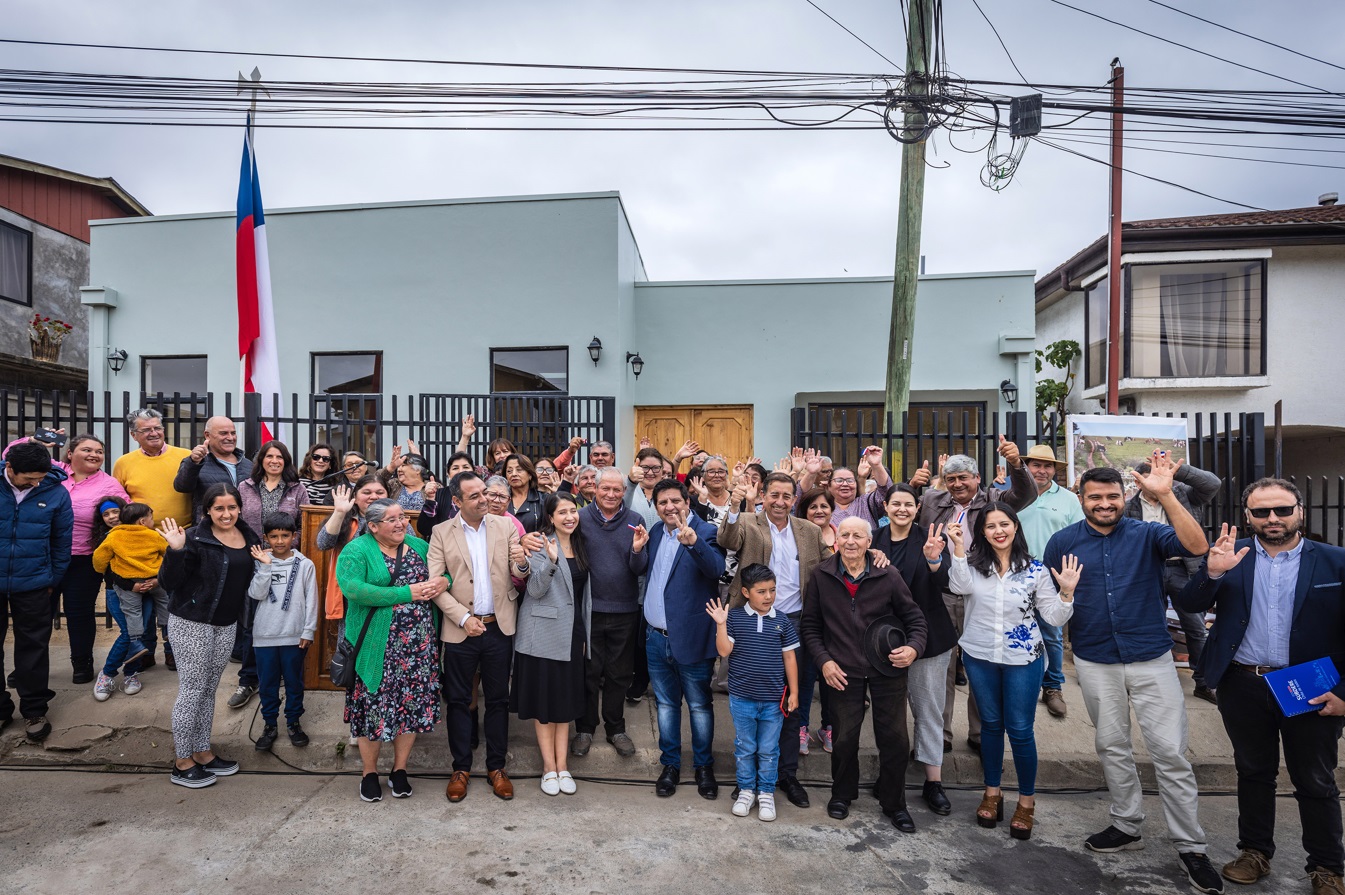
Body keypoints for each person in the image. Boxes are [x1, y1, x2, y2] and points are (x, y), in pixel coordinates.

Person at [1043, 456, 1223, 894]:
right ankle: (1126, 825)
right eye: (1094, 497)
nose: (1104, 504)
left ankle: (1191, 846)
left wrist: (1164, 494)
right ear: (1081, 500)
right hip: (1094, 658)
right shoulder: (1062, 542)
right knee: (1112, 746)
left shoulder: (1149, 534)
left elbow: (1197, 547)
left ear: (1123, 497)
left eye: (1111, 496)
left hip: (1151, 658)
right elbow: (1053, 606)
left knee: (1171, 754)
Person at [1179, 479, 1345, 894]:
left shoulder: (1335, 562)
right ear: (1248, 516)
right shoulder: (1233, 556)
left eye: (1282, 510)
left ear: (1300, 511)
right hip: (1243, 683)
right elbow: (1191, 605)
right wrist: (1212, 572)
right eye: (1261, 512)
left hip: (1310, 686)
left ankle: (1327, 867)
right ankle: (1255, 852)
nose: (1273, 519)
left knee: (1316, 780)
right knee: (1254, 773)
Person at [947, 504, 1078, 840]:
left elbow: (1054, 618)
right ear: (983, 533)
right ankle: (992, 793)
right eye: (991, 526)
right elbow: (959, 587)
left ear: (1015, 527)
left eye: (1004, 524)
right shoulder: (974, 567)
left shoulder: (1036, 571)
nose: (998, 531)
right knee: (990, 726)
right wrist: (958, 550)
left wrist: (1066, 592)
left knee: (1020, 730)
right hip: (979, 655)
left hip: (1024, 659)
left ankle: (1026, 801)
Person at [801, 517, 927, 832]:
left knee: (895, 739)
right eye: (845, 535)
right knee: (843, 739)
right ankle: (842, 794)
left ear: (869, 542)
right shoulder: (821, 575)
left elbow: (915, 620)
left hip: (887, 668)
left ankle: (894, 802)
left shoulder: (888, 574)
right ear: (836, 540)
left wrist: (913, 649)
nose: (852, 541)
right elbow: (810, 626)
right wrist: (824, 662)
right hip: (842, 670)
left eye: (859, 535)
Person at [913, 437, 1037, 755]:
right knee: (942, 664)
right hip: (943, 592)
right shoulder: (931, 501)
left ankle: (981, 734)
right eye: (951, 478)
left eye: (963, 478)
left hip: (982, 593)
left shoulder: (995, 498)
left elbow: (1026, 493)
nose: (957, 484)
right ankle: (939, 734)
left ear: (977, 478)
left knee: (980, 662)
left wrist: (1017, 465)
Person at [716, 471, 830, 809]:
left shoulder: (808, 531)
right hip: (751, 623)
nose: (780, 502)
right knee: (750, 701)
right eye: (774, 495)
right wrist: (739, 502)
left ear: (795, 498)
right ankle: (747, 782)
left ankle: (786, 775)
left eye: (787, 496)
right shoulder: (749, 521)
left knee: (794, 700)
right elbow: (726, 537)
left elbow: (830, 565)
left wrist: (872, 556)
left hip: (795, 622)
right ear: (763, 494)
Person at [336, 499, 446, 802]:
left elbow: (447, 573)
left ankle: (400, 770)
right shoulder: (357, 550)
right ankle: (369, 773)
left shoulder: (420, 546)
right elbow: (353, 588)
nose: (401, 524)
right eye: (392, 520)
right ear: (373, 526)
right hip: (377, 647)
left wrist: (441, 583)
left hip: (418, 647)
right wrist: (404, 593)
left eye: (402, 517)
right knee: (373, 709)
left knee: (410, 708)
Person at [429, 471, 526, 803]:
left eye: (485, 492)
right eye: (475, 496)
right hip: (461, 630)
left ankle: (496, 768)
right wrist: (463, 618)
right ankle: (461, 769)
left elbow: (518, 571)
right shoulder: (441, 533)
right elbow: (435, 585)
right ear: (456, 501)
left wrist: (523, 563)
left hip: (499, 627)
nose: (485, 499)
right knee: (458, 701)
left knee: (498, 700)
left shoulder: (505, 526)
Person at [6, 431, 128, 684]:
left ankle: (81, 663)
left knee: (79, 613)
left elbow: (124, 516)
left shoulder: (108, 484)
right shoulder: (51, 471)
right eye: (87, 449)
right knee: (36, 616)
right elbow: (10, 456)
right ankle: (26, 668)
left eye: (99, 451)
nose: (94, 454)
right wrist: (35, 442)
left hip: (83, 559)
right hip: (43, 556)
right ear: (70, 453)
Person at [159, 483, 259, 788]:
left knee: (208, 690)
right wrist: (175, 551)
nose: (226, 514)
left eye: (231, 507)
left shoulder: (250, 537)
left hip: (226, 624)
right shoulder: (193, 538)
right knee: (192, 689)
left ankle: (202, 751)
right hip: (192, 622)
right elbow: (168, 583)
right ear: (207, 510)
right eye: (219, 508)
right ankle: (181, 761)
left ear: (240, 507)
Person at [873, 484, 955, 814]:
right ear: (886, 506)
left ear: (917, 507)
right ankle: (889, 775)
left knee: (929, 709)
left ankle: (933, 781)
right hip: (882, 639)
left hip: (930, 638)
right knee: (889, 716)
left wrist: (935, 560)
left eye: (909, 504)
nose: (902, 509)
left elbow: (948, 582)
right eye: (896, 504)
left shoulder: (930, 538)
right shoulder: (873, 541)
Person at [644, 478, 726, 799]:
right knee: (665, 705)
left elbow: (716, 569)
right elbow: (642, 570)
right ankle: (671, 766)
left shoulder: (705, 532)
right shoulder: (653, 533)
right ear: (656, 506)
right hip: (655, 637)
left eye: (675, 501)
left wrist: (693, 544)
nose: (670, 507)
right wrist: (636, 551)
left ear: (687, 502)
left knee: (699, 705)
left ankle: (704, 766)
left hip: (692, 637)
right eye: (663, 502)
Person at [707, 563, 799, 822]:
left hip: (773, 700)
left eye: (772, 590)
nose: (769, 596)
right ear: (746, 592)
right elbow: (724, 651)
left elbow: (790, 658)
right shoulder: (734, 618)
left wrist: (794, 693)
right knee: (746, 747)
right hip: (742, 699)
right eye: (761, 591)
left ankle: (766, 793)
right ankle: (747, 790)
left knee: (769, 749)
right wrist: (721, 625)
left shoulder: (781, 620)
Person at [513, 493, 592, 796]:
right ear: (550, 517)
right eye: (563, 513)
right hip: (542, 634)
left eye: (573, 511)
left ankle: (564, 766)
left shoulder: (582, 544)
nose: (570, 517)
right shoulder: (539, 545)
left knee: (564, 704)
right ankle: (549, 768)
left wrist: (584, 634)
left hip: (572, 634)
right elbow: (533, 589)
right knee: (544, 705)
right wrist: (552, 562)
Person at [1125, 458, 1221, 705]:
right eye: (1148, 480)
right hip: (1147, 570)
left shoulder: (1185, 495)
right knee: (1141, 624)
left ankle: (1204, 682)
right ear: (1138, 482)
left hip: (1182, 568)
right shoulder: (1128, 507)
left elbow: (1212, 484)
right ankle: (1139, 681)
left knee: (1196, 627)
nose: (1155, 483)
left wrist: (1180, 470)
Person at [572, 466, 649, 759]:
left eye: (618, 490)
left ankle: (616, 728)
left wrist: (638, 550)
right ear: (595, 488)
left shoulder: (634, 520)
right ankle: (585, 728)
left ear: (623, 492)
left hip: (624, 610)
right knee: (588, 672)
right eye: (606, 488)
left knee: (619, 674)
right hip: (589, 608)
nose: (611, 494)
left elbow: (639, 569)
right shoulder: (579, 519)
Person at [0, 442, 73, 742]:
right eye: (29, 477)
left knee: (33, 647)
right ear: (9, 469)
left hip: (34, 583)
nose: (36, 483)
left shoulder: (55, 492)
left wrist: (51, 578)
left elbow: (61, 542)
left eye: (41, 476)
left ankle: (34, 709)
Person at [1016, 444, 1084, 719]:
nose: (1041, 471)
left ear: (1055, 470)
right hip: (1015, 572)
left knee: (1052, 634)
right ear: (1027, 467)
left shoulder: (1068, 499)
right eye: (1036, 465)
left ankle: (1053, 687)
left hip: (1052, 575)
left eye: (1047, 466)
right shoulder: (1015, 495)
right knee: (1016, 630)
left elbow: (1079, 535)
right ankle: (1022, 684)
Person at [247, 512, 319, 752]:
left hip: (293, 635)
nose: (279, 541)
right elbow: (256, 594)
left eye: (285, 536)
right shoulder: (259, 560)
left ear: (294, 536)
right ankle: (269, 724)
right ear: (266, 537)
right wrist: (265, 567)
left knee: (293, 682)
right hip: (265, 635)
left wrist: (308, 630)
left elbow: (312, 600)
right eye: (274, 536)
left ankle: (293, 722)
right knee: (267, 684)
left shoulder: (305, 564)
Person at [91, 502, 166, 698]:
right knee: (129, 634)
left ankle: (131, 673)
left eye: (116, 511)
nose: (113, 517)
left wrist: (156, 580)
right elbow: (102, 567)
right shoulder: (111, 538)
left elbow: (166, 558)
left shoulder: (141, 536)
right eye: (106, 514)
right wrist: (131, 585)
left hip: (147, 590)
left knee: (137, 633)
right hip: (119, 591)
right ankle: (107, 674)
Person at [317, 475, 390, 630]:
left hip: (387, 596)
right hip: (351, 599)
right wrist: (339, 512)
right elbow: (323, 544)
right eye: (367, 492)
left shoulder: (398, 521)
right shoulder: (346, 520)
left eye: (380, 492)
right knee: (351, 647)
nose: (374, 497)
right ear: (355, 498)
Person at [174, 416, 254, 522]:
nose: (230, 438)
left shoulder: (247, 464)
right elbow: (182, 487)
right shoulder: (196, 462)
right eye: (223, 433)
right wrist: (194, 462)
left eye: (233, 433)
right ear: (207, 435)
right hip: (209, 531)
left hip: (242, 530)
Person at [239, 440, 307, 540]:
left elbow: (304, 526)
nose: (274, 461)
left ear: (286, 461)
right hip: (251, 552)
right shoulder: (244, 487)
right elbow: (237, 521)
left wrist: (284, 547)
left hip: (286, 553)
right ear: (261, 459)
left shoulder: (298, 489)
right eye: (269, 456)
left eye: (279, 457)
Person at [503, 454, 544, 533]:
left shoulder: (542, 500)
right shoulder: (500, 499)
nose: (514, 474)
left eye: (519, 470)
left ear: (530, 475)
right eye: (509, 471)